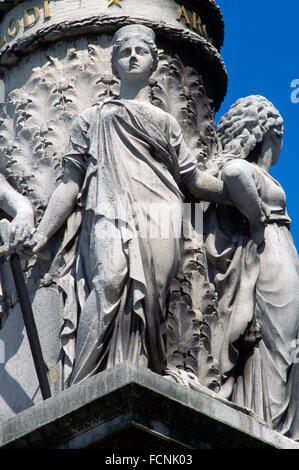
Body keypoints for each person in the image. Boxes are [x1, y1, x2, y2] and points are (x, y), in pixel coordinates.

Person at [28, 24, 228, 387]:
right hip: (107, 205)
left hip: (161, 211)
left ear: (153, 63)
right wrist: (42, 234)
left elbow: (194, 180)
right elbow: (70, 184)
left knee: (153, 297)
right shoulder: (92, 117)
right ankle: (83, 380)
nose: (133, 56)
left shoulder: (166, 122)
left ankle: (143, 367)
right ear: (115, 65)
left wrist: (234, 188)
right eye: (125, 52)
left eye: (141, 51)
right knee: (108, 280)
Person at [204, 95, 299, 437]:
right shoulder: (255, 172)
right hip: (270, 254)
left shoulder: (260, 175)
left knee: (288, 346)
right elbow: (232, 170)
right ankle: (273, 425)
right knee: (281, 346)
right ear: (268, 133)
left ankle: (277, 425)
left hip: (278, 254)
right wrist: (258, 221)